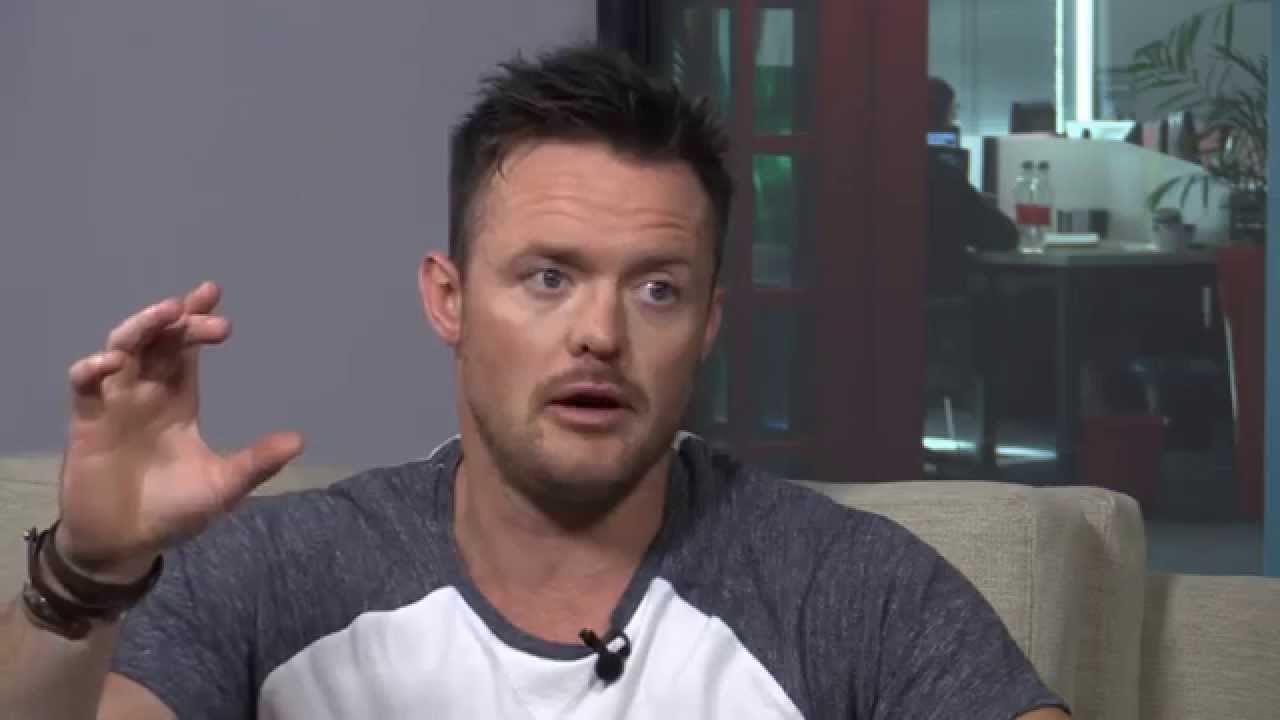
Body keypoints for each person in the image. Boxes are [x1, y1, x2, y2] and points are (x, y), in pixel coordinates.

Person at [1, 47, 1070, 719]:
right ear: (450, 299)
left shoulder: (851, 590)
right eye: (549, 277)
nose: (599, 334)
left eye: (656, 289)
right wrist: (87, 571)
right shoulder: (270, 574)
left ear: (707, 324)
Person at [926, 77, 1018, 297]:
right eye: (953, 111)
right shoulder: (944, 178)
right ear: (943, 120)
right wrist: (977, 202)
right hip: (943, 296)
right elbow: (1004, 236)